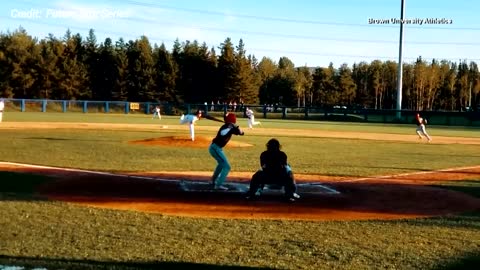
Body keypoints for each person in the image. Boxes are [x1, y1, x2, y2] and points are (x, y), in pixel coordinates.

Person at [209, 113, 244, 190]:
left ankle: (213, 180)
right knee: (227, 166)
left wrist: (237, 128)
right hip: (215, 148)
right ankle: (218, 185)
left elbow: (242, 133)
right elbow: (222, 133)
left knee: (221, 164)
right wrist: (230, 128)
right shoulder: (225, 127)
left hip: (216, 148)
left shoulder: (231, 127)